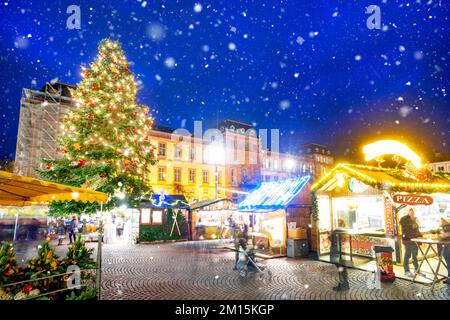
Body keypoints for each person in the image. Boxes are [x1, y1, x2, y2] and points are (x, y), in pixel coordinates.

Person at [399, 208, 423, 277]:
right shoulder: (404, 220)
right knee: (407, 255)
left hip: (415, 241)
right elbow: (404, 225)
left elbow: (417, 229)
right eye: (410, 212)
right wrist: (411, 222)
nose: (412, 214)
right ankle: (406, 271)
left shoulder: (415, 220)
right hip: (408, 241)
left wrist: (420, 236)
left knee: (415, 256)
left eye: (413, 212)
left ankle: (417, 270)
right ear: (408, 213)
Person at [330, 220, 350, 291]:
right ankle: (345, 284)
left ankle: (343, 285)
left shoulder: (337, 231)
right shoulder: (344, 231)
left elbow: (333, 241)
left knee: (340, 269)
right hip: (343, 252)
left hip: (337, 253)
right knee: (343, 269)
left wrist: (330, 235)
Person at [438, 219, 450, 284]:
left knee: (449, 263)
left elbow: (447, 234)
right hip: (446, 247)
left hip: (447, 247)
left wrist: (442, 235)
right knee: (448, 264)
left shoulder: (446, 226)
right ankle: (449, 279)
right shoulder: (445, 226)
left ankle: (449, 279)